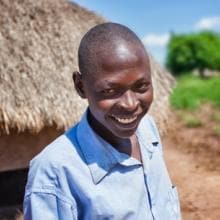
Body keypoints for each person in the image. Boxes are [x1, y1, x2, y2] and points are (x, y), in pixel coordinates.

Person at [23, 22, 181, 220]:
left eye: (141, 86)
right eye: (110, 91)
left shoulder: (148, 130)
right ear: (80, 87)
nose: (131, 104)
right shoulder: (54, 173)